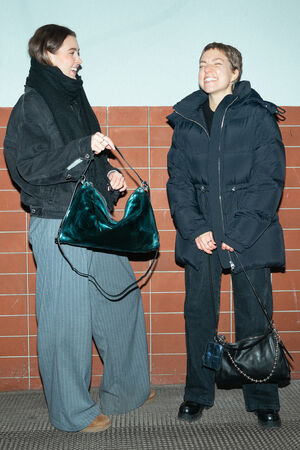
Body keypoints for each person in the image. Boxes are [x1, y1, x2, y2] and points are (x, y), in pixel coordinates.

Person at [4, 24, 154, 433]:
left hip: (95, 219)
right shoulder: (31, 104)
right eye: (72, 52)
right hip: (59, 224)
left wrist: (110, 179)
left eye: (78, 52)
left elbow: (90, 157)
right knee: (65, 320)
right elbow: (28, 171)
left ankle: (127, 390)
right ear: (48, 54)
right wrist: (83, 148)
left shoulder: (75, 97)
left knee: (121, 300)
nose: (79, 59)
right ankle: (72, 412)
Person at [166, 42, 285, 429]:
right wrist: (196, 228)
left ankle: (263, 397)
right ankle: (197, 394)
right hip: (201, 234)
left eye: (217, 63)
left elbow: (269, 179)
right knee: (198, 314)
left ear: (235, 73)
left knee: (254, 315)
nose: (207, 69)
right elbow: (178, 182)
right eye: (202, 63)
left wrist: (241, 231)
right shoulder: (186, 119)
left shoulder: (257, 116)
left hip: (247, 233)